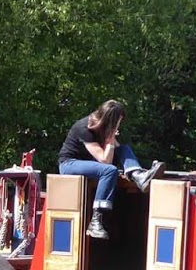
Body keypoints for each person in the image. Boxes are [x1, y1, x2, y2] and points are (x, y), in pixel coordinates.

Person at [56, 99, 163, 240]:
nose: (120, 125)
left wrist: (111, 140)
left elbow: (116, 151)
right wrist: (111, 136)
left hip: (90, 163)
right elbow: (105, 160)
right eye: (118, 122)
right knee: (109, 170)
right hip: (69, 164)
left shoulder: (103, 127)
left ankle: (138, 176)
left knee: (124, 149)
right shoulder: (85, 128)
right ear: (111, 121)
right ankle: (96, 221)